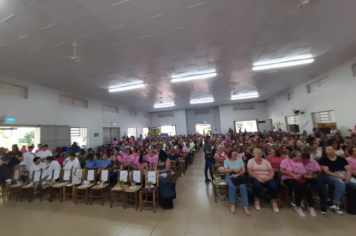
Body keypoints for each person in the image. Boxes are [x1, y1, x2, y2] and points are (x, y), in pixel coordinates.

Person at [320, 145, 356, 214]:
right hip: (331, 175)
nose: (332, 151)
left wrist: (347, 179)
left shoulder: (341, 159)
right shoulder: (324, 159)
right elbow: (327, 171)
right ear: (325, 152)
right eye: (329, 150)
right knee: (340, 183)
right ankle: (336, 203)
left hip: (344, 175)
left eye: (332, 149)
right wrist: (339, 176)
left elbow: (348, 170)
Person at [280, 151, 316, 217]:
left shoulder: (300, 163)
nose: (300, 157)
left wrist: (310, 176)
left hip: (299, 179)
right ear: (294, 156)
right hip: (287, 178)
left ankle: (310, 206)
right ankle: (298, 206)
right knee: (298, 187)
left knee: (307, 188)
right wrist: (291, 174)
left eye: (300, 156)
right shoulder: (285, 161)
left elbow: (304, 174)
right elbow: (281, 170)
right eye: (299, 156)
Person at [224, 150, 250, 216]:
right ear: (230, 155)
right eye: (234, 154)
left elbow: (243, 170)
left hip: (239, 176)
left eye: (236, 154)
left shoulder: (239, 160)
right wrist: (233, 169)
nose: (236, 155)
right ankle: (232, 205)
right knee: (232, 186)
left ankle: (245, 207)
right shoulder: (226, 161)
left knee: (243, 187)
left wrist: (237, 174)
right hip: (229, 176)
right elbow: (225, 170)